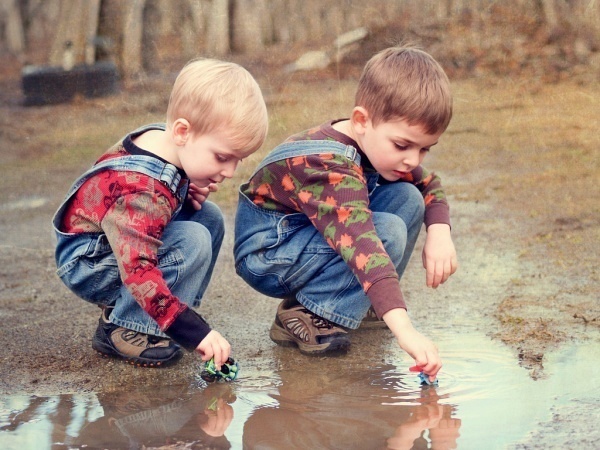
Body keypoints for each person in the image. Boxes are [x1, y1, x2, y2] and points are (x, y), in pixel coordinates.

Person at [233, 45, 457, 382]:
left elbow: (428, 183)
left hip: (303, 238)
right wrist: (406, 331)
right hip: (268, 253)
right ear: (361, 121)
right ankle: (309, 314)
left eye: (424, 148)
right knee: (386, 232)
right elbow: (364, 246)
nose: (413, 159)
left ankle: (358, 303)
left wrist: (439, 232)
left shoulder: (374, 143)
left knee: (408, 197)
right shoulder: (328, 165)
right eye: (403, 145)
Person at [52, 58, 268, 368]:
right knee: (193, 239)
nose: (230, 172)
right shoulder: (143, 192)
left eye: (238, 160)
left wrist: (181, 192)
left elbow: (145, 212)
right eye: (222, 157)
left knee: (209, 218)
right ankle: (126, 327)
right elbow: (138, 267)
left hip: (112, 246)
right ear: (183, 131)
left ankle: (166, 315)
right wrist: (194, 332)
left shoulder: (161, 140)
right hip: (88, 264)